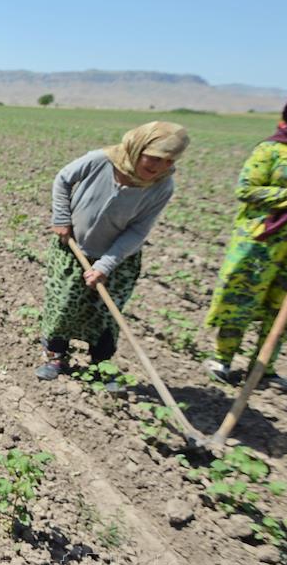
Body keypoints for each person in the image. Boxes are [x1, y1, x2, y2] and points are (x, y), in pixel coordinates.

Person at [36, 122, 190, 389]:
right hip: (73, 248)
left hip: (119, 258)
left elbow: (138, 230)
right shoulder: (101, 161)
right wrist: (61, 217)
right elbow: (63, 179)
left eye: (168, 161)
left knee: (106, 313)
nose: (158, 167)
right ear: (137, 147)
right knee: (62, 304)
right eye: (153, 158)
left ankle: (100, 365)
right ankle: (56, 357)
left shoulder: (162, 186)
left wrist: (106, 265)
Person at [204, 82, 287, 391]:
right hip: (261, 241)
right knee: (242, 299)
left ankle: (264, 367)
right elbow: (247, 190)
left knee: (285, 306)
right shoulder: (273, 149)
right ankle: (222, 358)